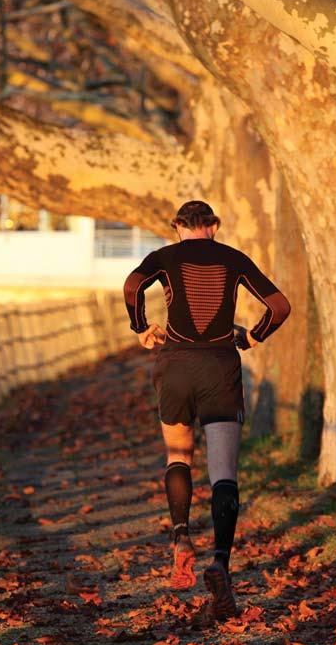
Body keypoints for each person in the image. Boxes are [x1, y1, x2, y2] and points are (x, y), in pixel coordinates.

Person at [123, 200, 291, 620]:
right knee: (224, 473)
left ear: (178, 225)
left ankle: (181, 537)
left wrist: (141, 327)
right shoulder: (233, 259)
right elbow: (280, 306)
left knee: (178, 456)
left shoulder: (164, 256)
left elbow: (131, 286)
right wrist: (252, 338)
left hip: (175, 365)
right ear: (214, 225)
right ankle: (219, 560)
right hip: (220, 367)